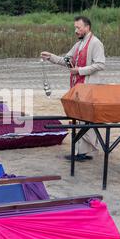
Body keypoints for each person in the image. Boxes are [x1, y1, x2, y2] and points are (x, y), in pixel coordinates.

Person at [41, 16, 105, 162]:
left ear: (87, 27)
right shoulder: (79, 44)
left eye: (79, 27)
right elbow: (67, 60)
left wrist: (80, 71)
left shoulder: (96, 43)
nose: (76, 30)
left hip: (89, 88)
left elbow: (101, 64)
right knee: (78, 117)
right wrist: (50, 56)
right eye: (75, 28)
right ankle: (80, 151)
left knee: (85, 119)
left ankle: (84, 152)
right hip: (77, 87)